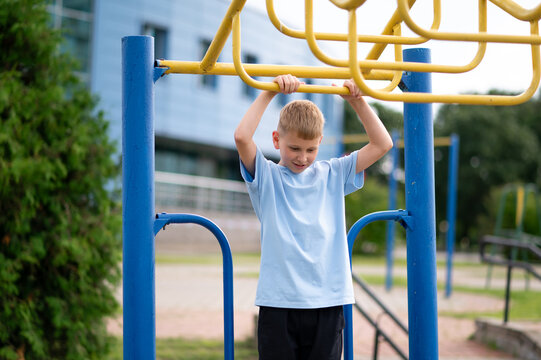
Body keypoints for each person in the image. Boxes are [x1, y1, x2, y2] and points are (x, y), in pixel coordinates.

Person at [234, 74, 393, 360]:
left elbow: (382, 144)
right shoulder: (267, 176)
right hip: (279, 301)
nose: (303, 157)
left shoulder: (333, 173)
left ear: (320, 142)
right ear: (276, 139)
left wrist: (357, 102)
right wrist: (269, 93)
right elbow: (242, 137)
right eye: (294, 148)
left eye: (311, 149)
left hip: (328, 300)